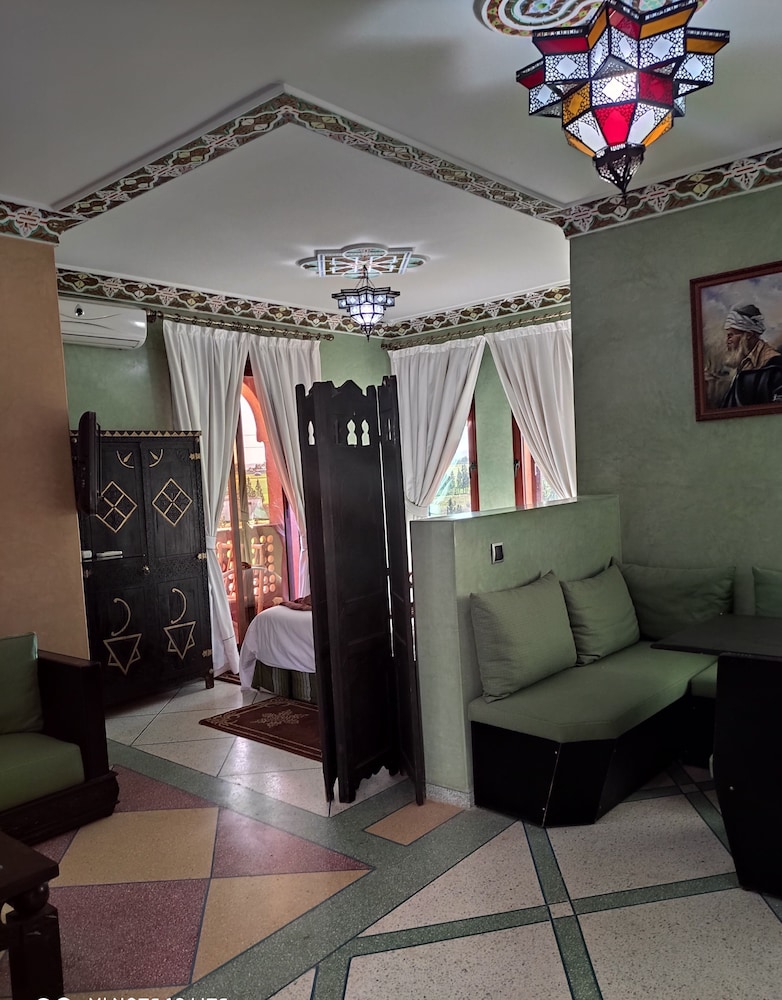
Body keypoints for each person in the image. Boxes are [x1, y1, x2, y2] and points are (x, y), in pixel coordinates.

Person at [719, 302, 782, 408]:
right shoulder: (744, 363)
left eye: (731, 335)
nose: (728, 340)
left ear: (748, 335)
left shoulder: (774, 366)